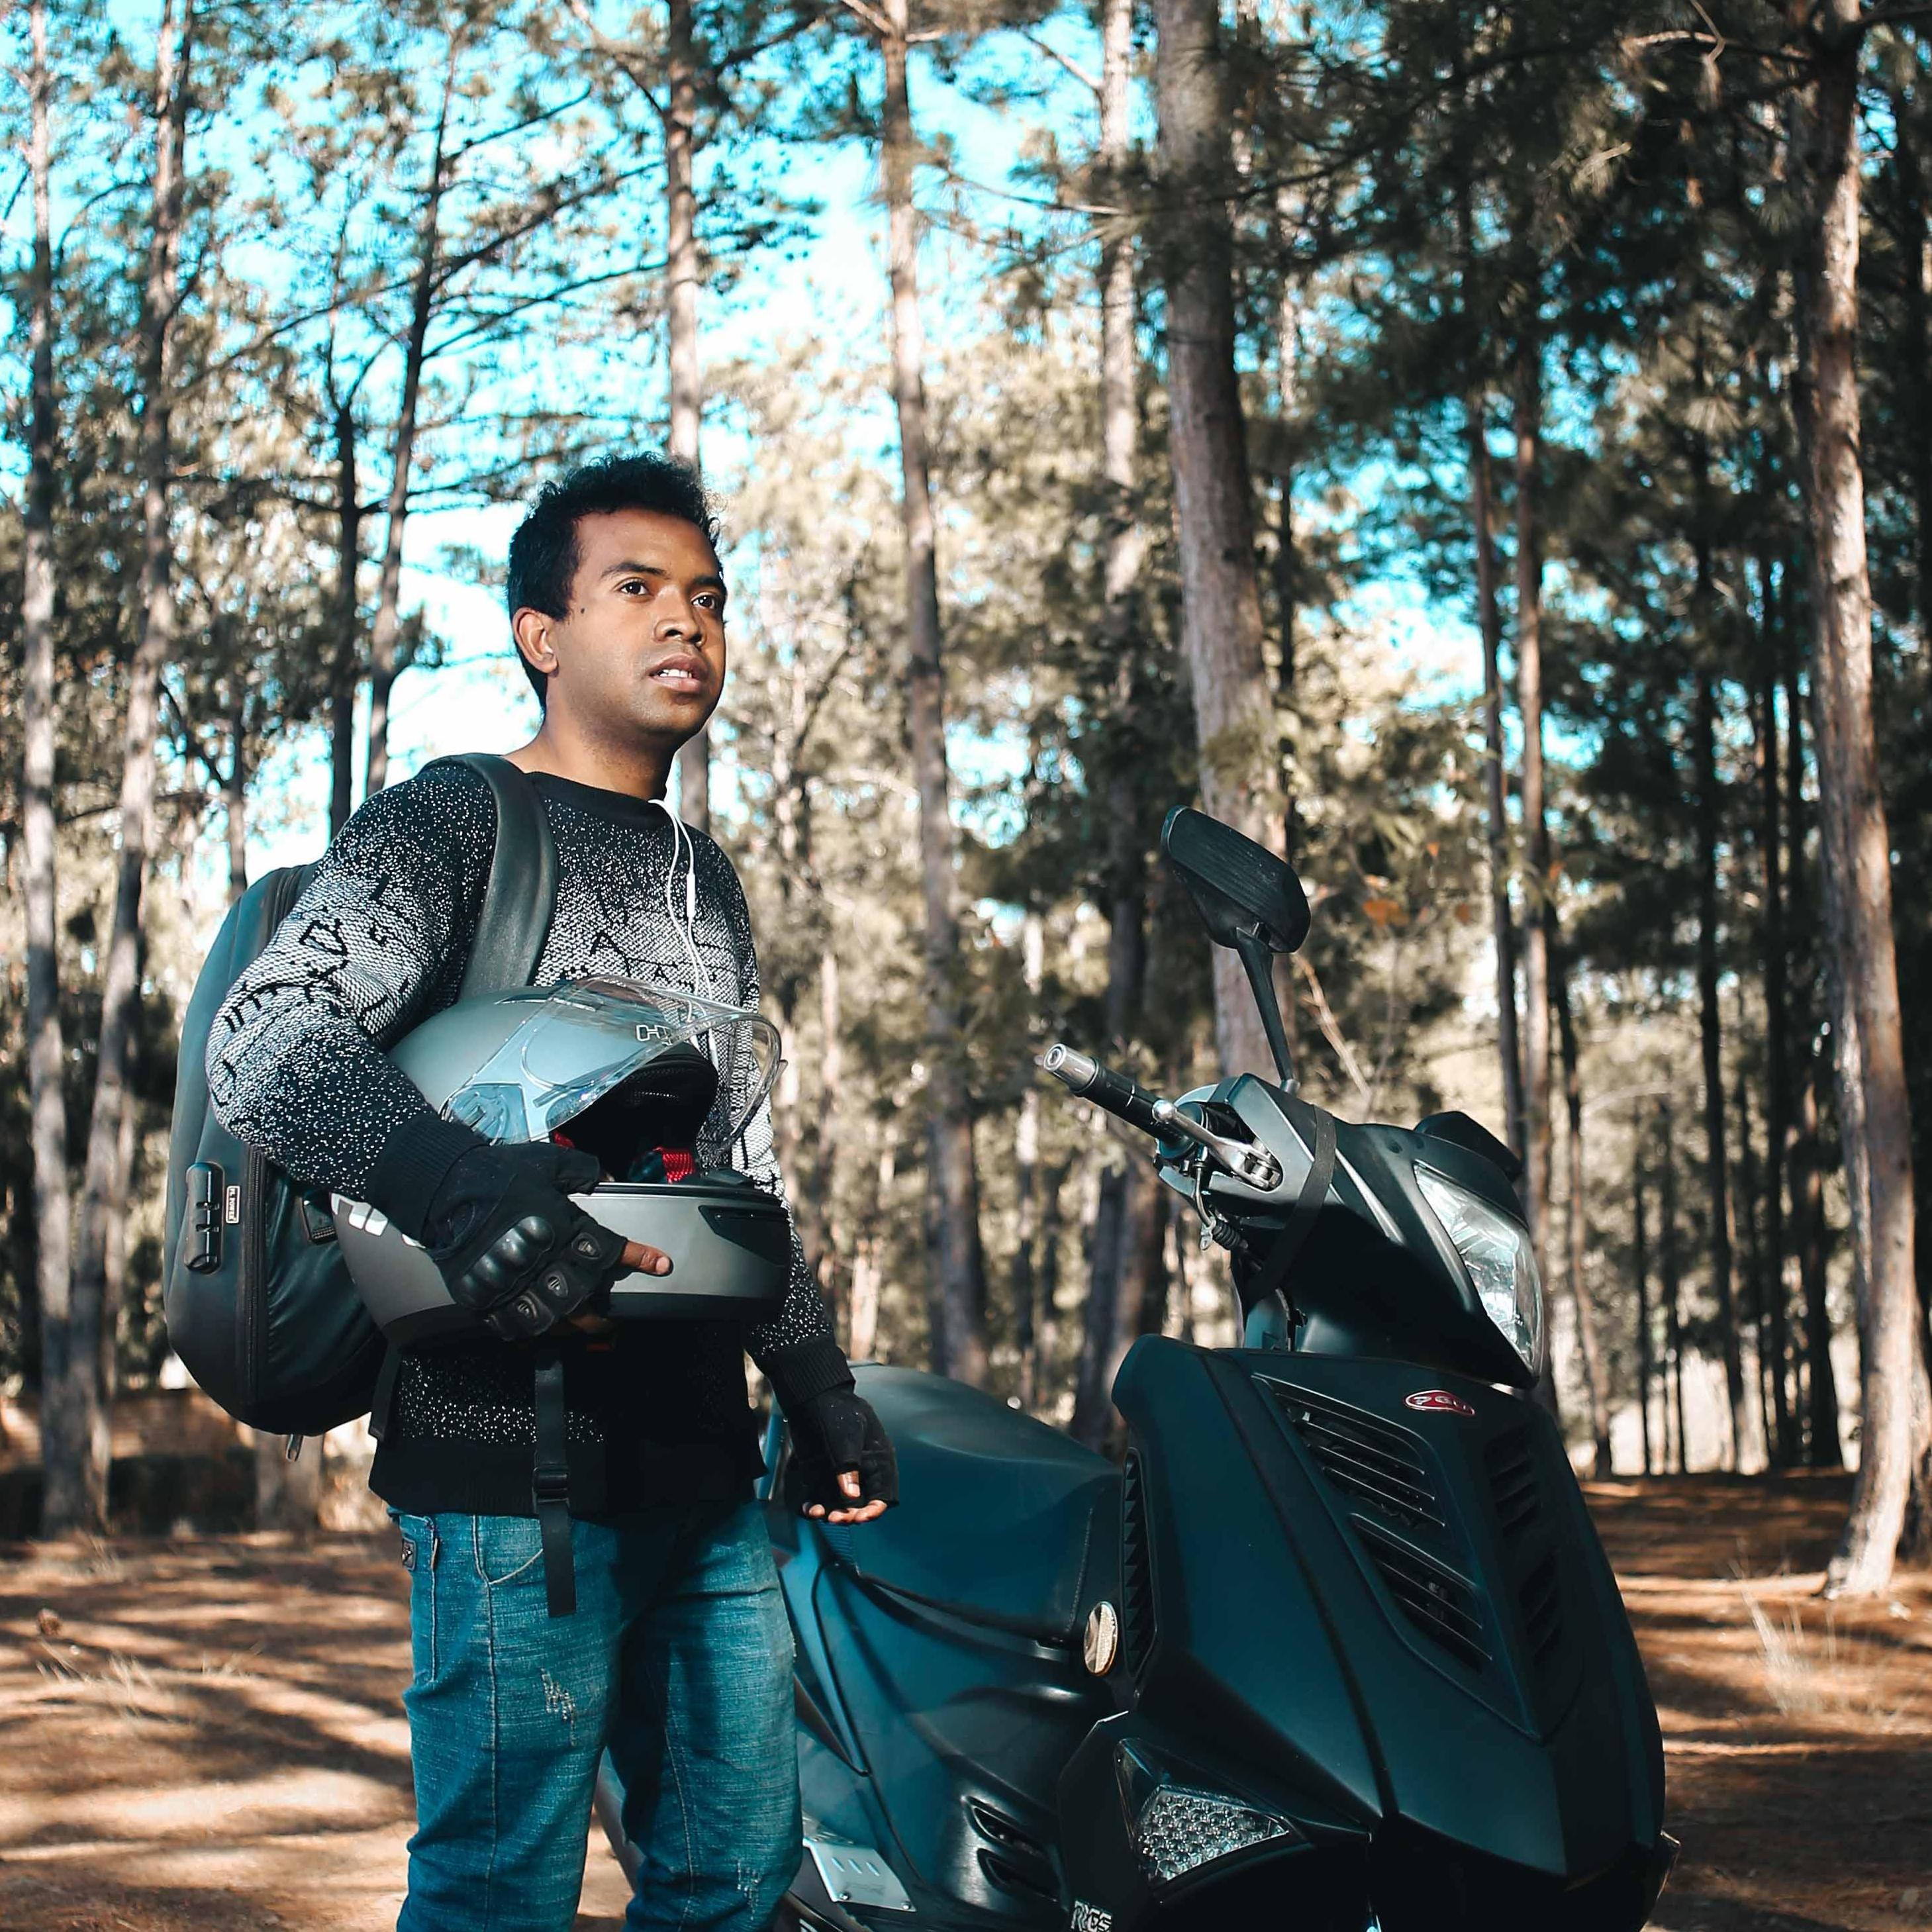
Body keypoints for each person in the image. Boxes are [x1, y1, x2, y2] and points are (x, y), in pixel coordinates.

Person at [205, 453, 896, 1931]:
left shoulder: (707, 879)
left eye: (707, 595)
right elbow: (265, 1039)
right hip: (509, 1471)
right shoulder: (449, 819)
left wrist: (818, 1384)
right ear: (542, 633)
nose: (685, 621)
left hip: (704, 1466)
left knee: (734, 1876)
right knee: (500, 1889)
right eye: (635, 588)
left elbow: (738, 1159)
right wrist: (459, 1189)